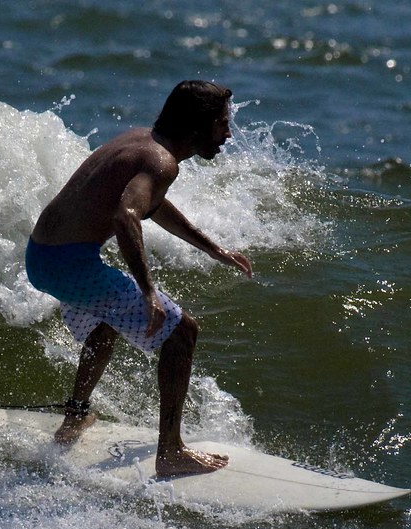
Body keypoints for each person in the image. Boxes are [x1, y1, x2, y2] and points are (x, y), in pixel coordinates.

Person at [25, 80, 253, 478]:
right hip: (70, 264)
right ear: (198, 125)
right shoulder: (161, 161)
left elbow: (151, 205)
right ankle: (171, 452)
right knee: (182, 331)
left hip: (41, 256)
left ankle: (74, 418)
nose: (228, 133)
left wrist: (214, 249)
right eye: (221, 123)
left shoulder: (141, 141)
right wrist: (147, 290)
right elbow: (126, 215)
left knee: (103, 327)